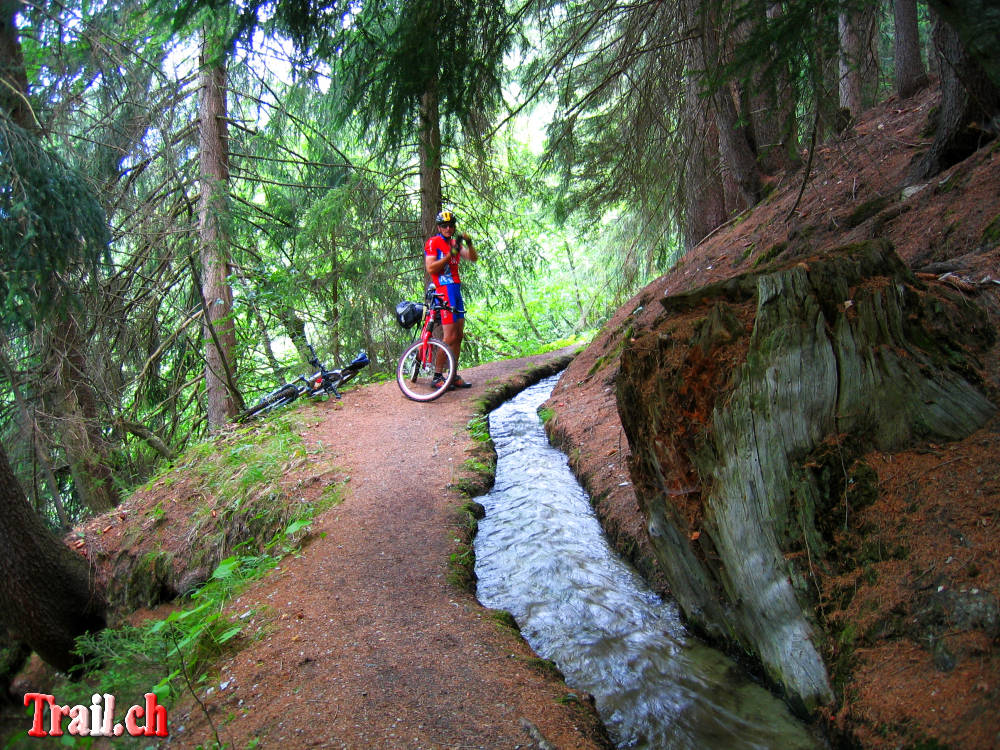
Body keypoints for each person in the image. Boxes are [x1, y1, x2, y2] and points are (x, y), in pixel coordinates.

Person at [424, 209, 477, 389]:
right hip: (444, 289)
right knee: (449, 336)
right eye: (444, 226)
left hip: (456, 289)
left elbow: (473, 258)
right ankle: (437, 376)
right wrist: (448, 256)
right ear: (439, 227)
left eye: (451, 225)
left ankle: (452, 374)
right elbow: (431, 268)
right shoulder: (434, 243)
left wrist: (469, 243)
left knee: (459, 335)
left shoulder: (454, 242)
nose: (448, 228)